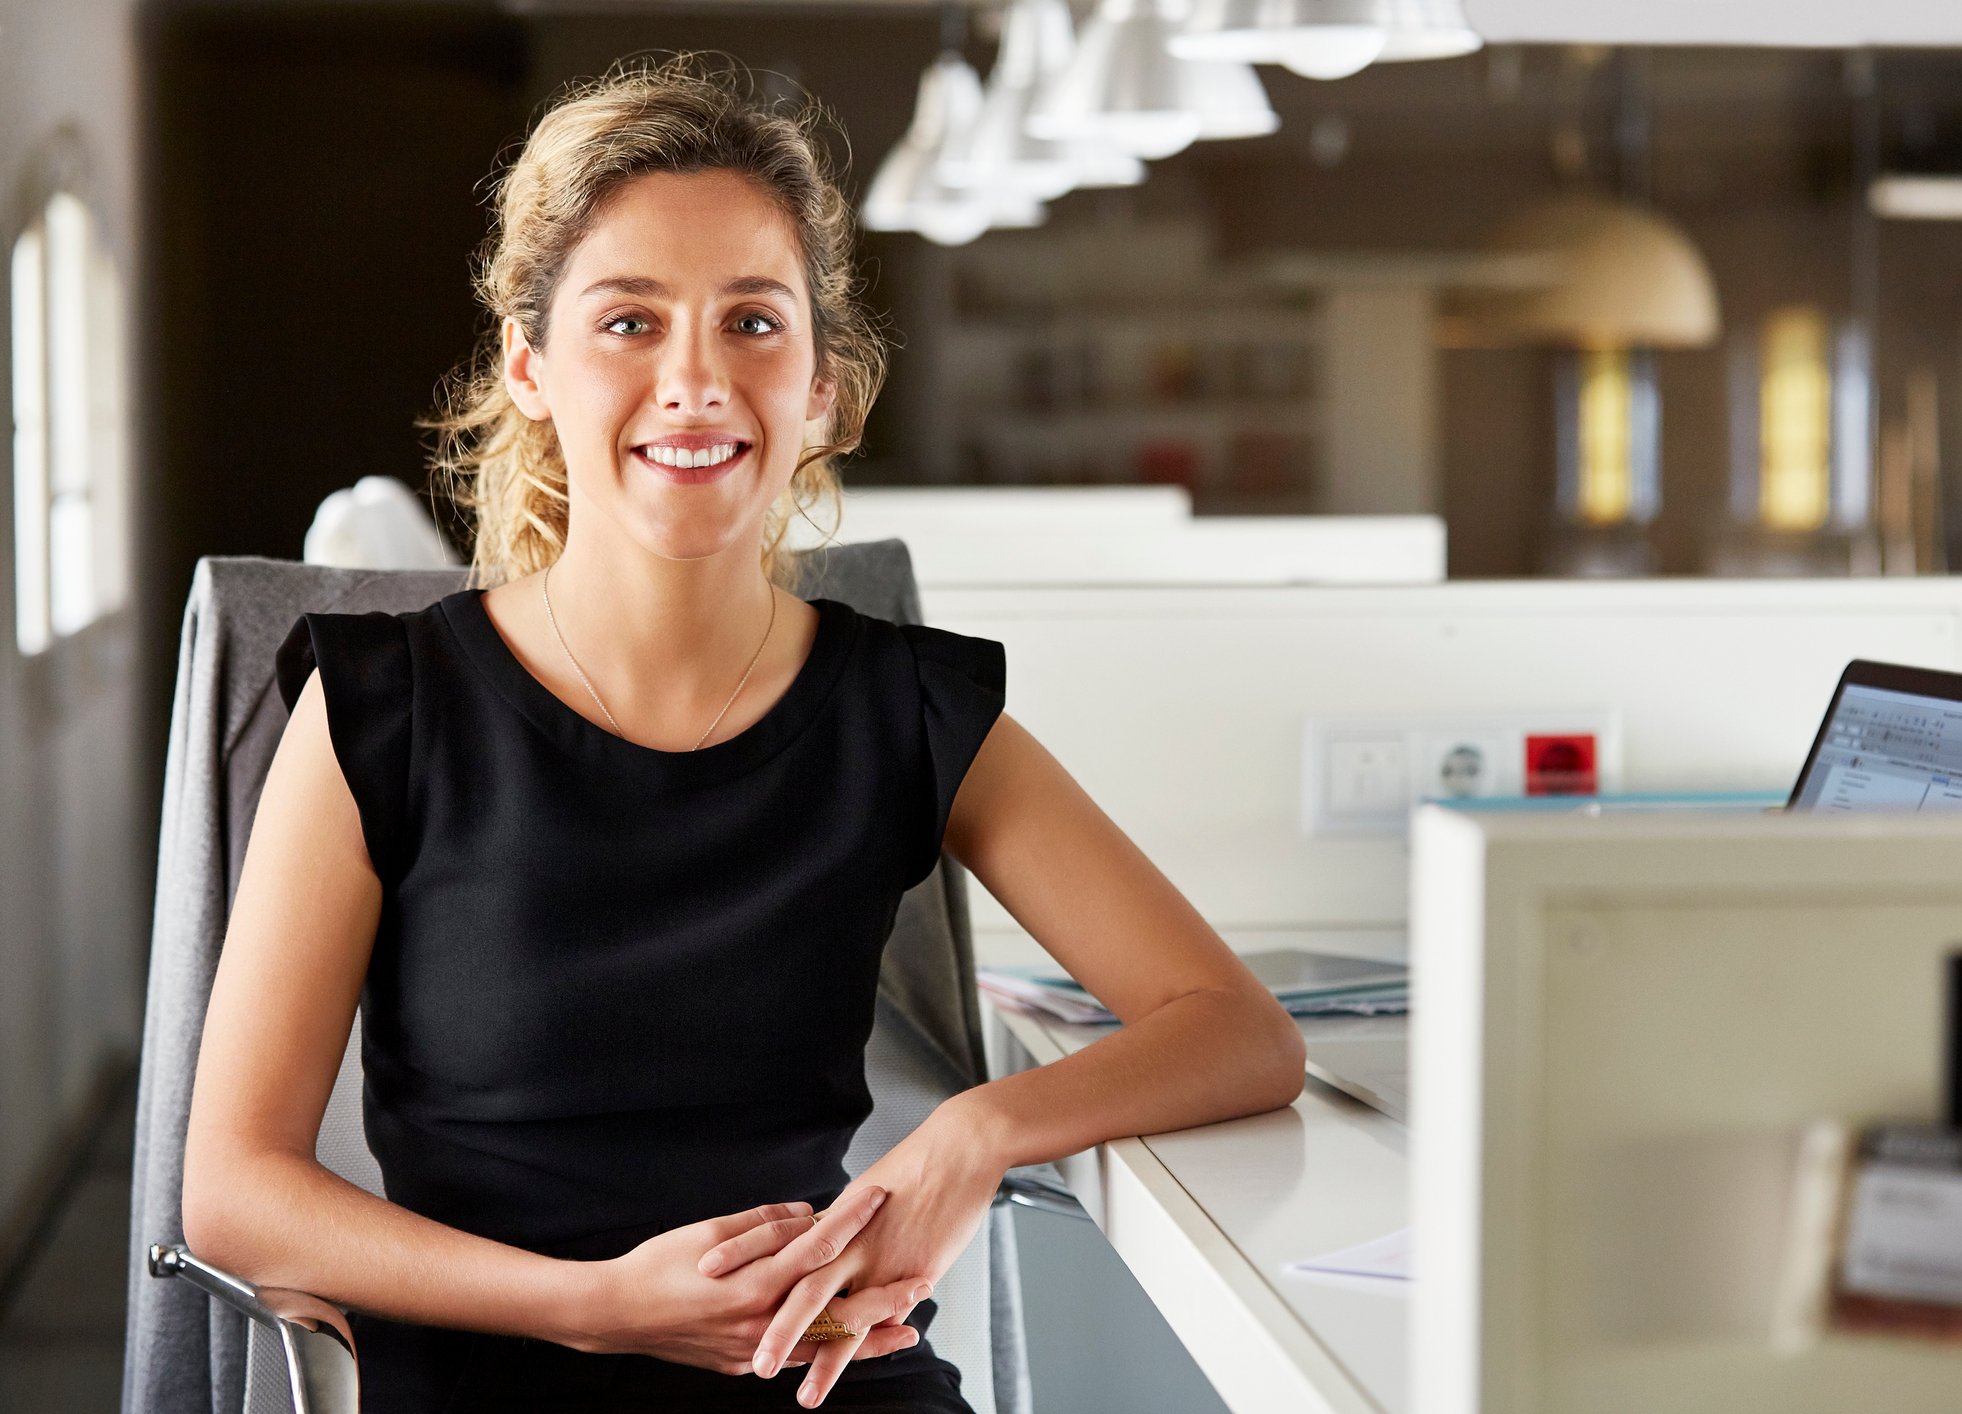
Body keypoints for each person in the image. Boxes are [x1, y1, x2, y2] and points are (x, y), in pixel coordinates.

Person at [180, 52, 1306, 1414]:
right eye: (630, 322)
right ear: (531, 369)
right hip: (499, 1378)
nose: (697, 379)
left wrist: (974, 1132)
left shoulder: (902, 701)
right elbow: (235, 1193)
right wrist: (594, 1308)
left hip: (818, 1375)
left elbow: (1237, 1031)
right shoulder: (381, 707)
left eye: (754, 323)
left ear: (824, 386)